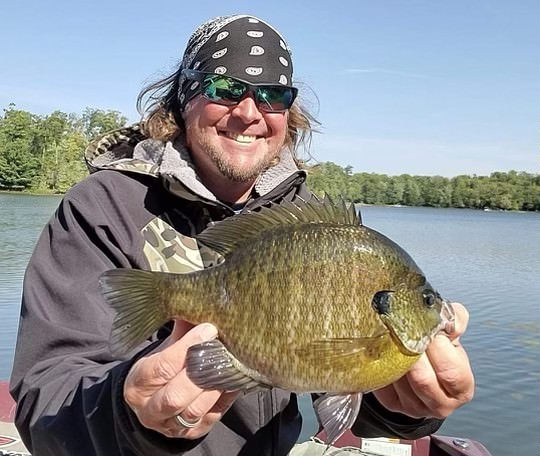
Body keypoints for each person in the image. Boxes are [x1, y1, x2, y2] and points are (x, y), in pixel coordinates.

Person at [9, 14, 474, 456]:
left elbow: (339, 387)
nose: (249, 112)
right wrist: (129, 415)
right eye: (226, 89)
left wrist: (405, 407)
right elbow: (45, 399)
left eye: (272, 94)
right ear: (185, 97)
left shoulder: (308, 219)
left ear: (289, 113)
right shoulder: (104, 207)